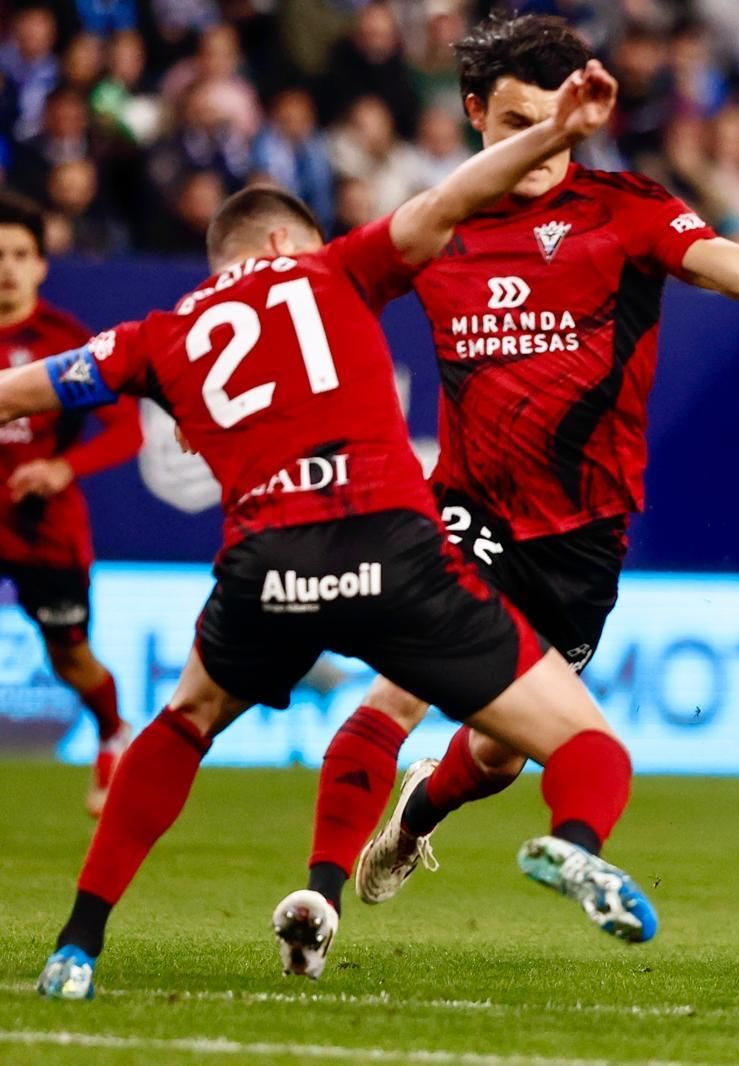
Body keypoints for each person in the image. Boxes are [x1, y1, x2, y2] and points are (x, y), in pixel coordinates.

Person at [31, 59, 639, 1002]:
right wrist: (558, 131)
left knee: (185, 721)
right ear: (287, 240)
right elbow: (451, 197)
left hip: (267, 567)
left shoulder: (157, 335)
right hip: (394, 554)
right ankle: (572, 842)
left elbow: (27, 389)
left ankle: (77, 946)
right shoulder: (338, 267)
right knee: (588, 745)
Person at [300, 13, 739, 918]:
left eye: (555, 122)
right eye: (516, 124)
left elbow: (737, 268)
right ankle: (318, 898)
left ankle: (418, 814)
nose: (541, 146)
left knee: (498, 753)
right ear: (473, 114)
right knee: (405, 681)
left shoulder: (624, 209)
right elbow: (322, 309)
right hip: (465, 508)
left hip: (582, 538)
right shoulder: (435, 226)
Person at [0, 189, 140, 817]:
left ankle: (112, 730)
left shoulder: (63, 342)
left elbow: (127, 428)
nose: (7, 269)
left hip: (42, 532)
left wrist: (63, 467)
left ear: (40, 265)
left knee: (71, 658)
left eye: (19, 255)